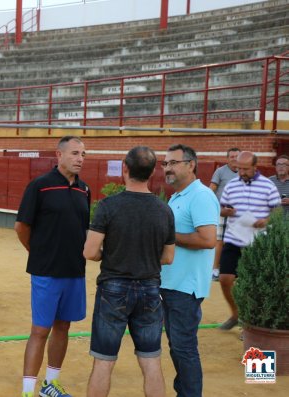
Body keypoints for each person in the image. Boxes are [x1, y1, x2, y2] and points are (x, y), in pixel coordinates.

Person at [84, 146, 175, 397]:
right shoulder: (164, 210)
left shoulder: (108, 206)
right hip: (149, 288)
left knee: (104, 360)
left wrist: (111, 255)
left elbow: (90, 252)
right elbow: (168, 257)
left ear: (125, 169)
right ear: (152, 173)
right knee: (151, 361)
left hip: (113, 287)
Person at [15, 136, 91, 397]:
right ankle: (28, 391)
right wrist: (38, 253)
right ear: (59, 155)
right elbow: (21, 227)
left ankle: (51, 384)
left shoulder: (85, 190)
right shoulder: (39, 186)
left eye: (83, 154)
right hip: (46, 272)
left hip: (74, 271)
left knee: (63, 327)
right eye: (74, 153)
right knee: (40, 330)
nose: (80, 158)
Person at [160, 144, 219, 397]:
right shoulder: (178, 196)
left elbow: (207, 240)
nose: (167, 168)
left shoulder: (201, 196)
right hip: (172, 284)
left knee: (184, 348)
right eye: (165, 164)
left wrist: (166, 236)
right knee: (178, 347)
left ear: (191, 164)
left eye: (173, 163)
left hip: (185, 287)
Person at [218, 151, 281, 330]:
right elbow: (222, 208)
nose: (242, 172)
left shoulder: (268, 186)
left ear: (255, 167)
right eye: (239, 169)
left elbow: (276, 211)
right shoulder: (230, 186)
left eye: (246, 169)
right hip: (234, 237)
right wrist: (225, 211)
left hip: (258, 242)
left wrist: (266, 221)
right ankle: (236, 314)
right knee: (224, 279)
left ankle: (252, 321)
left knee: (256, 282)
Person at [209, 148, 240, 281]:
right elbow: (211, 191)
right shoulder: (220, 171)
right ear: (227, 158)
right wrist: (217, 209)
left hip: (238, 213)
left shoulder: (244, 172)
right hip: (222, 211)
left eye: (236, 156)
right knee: (219, 242)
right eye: (231, 156)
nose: (234, 158)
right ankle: (215, 270)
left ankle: (234, 269)